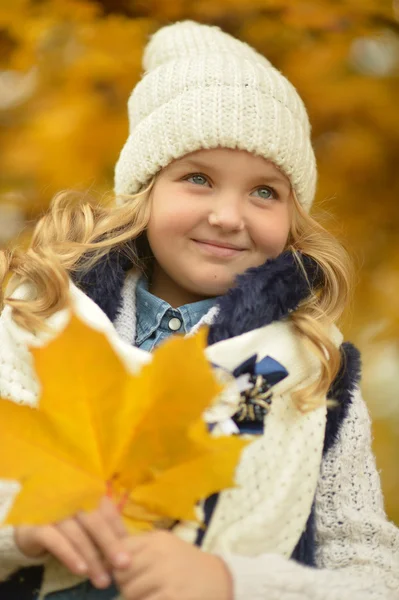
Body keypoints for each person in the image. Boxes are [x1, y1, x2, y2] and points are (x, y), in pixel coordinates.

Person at [0, 20, 398, 600]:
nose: (229, 216)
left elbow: (376, 574)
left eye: (265, 191)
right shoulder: (39, 323)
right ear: (145, 190)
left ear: (292, 219)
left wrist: (232, 582)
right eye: (198, 179)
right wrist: (24, 524)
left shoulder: (314, 373)